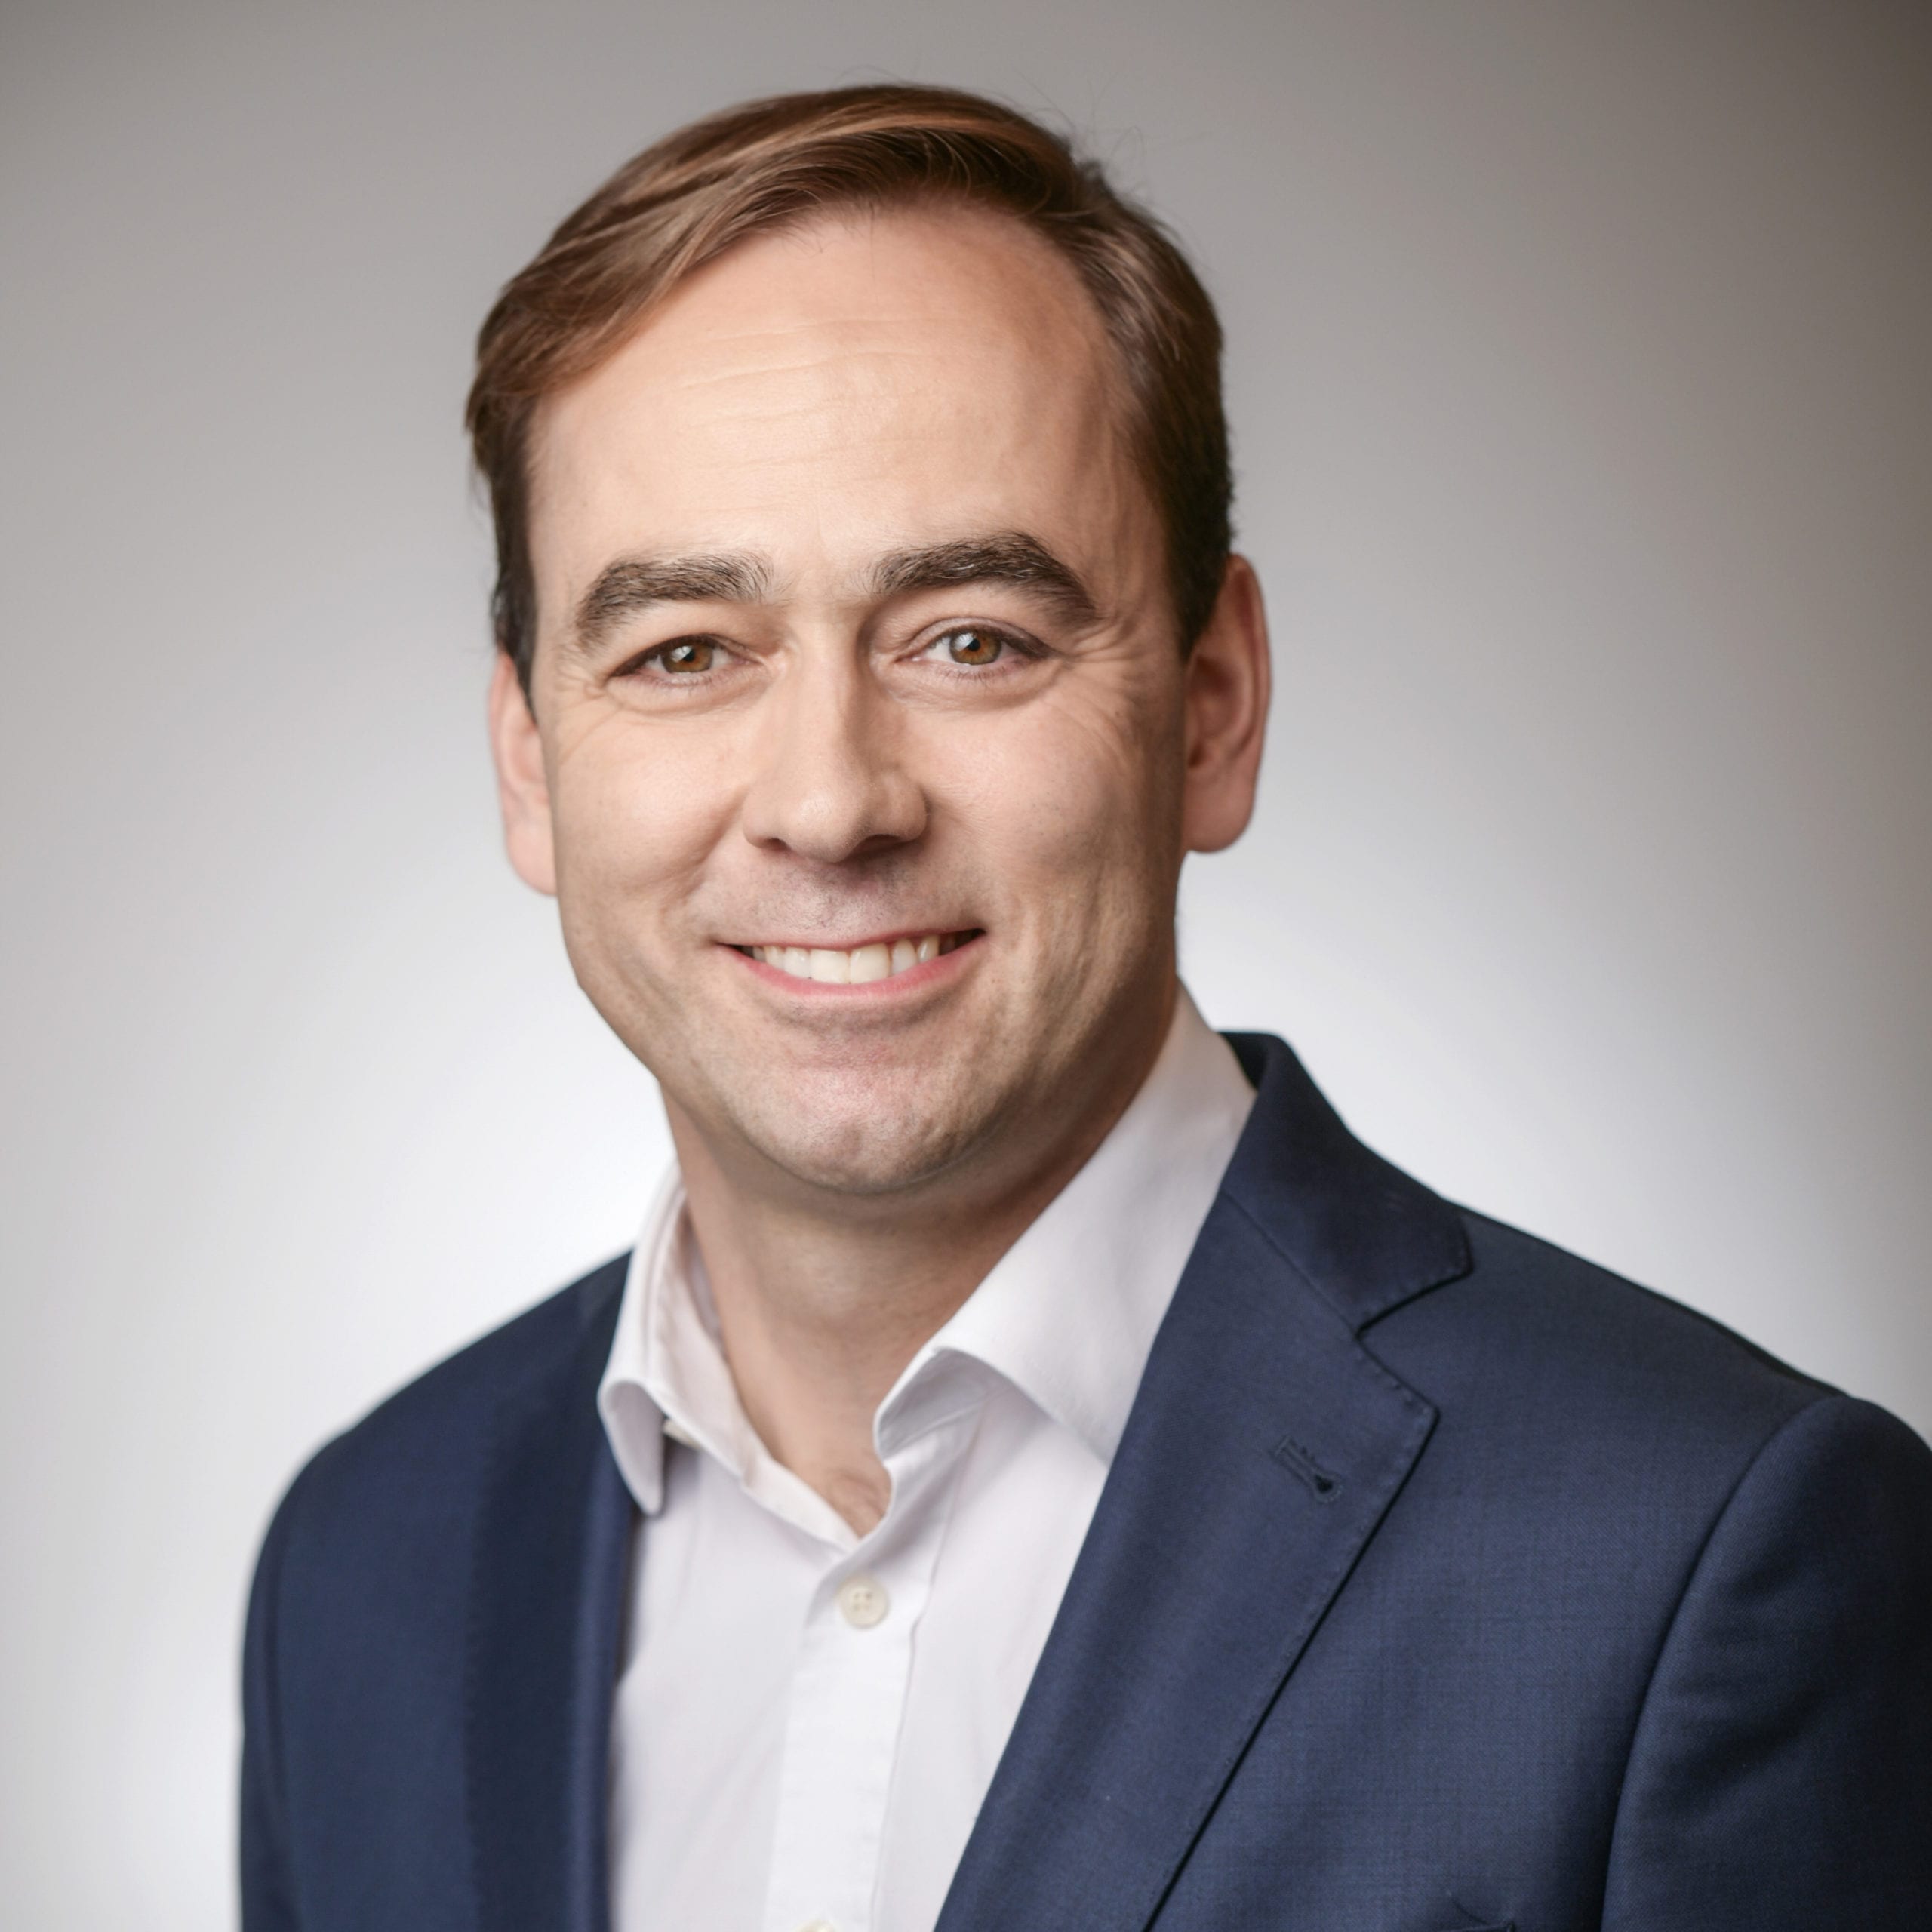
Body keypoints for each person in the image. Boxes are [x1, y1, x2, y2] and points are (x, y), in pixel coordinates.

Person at [238, 83, 1932, 1932]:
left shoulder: (1696, 1546)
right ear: (526, 757)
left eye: (971, 635)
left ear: (1209, 704)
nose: (828, 800)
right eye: (684, 652)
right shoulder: (361, 1564)